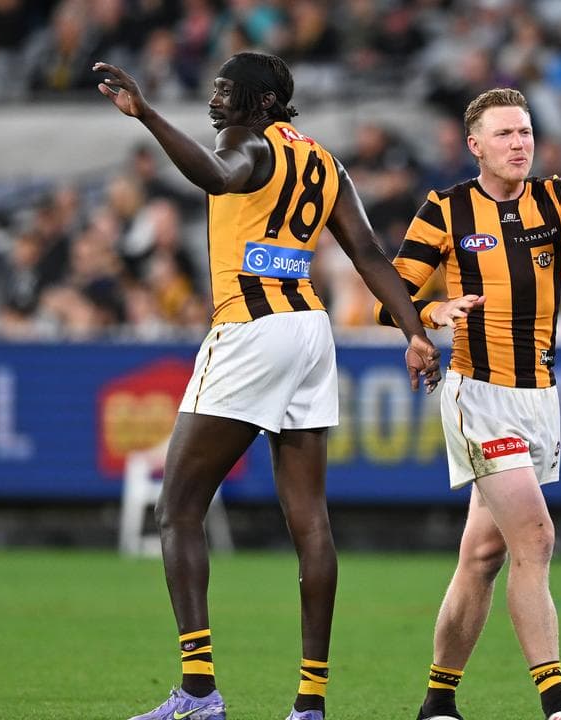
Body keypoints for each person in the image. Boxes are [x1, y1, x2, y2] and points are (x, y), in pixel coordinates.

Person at [94, 52, 442, 720]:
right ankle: (309, 703)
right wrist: (414, 330)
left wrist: (147, 115)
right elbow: (368, 252)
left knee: (179, 509)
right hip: (310, 331)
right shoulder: (324, 161)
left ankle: (199, 693)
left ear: (259, 102)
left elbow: (217, 175)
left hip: (252, 330)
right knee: (310, 520)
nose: (214, 103)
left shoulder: (244, 143)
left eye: (225, 92)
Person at [376, 87, 561, 720]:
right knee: (536, 535)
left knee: (481, 556)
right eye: (504, 134)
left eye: (525, 132)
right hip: (478, 397)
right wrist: (429, 312)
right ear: (475, 146)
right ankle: (556, 700)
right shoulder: (445, 209)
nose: (519, 143)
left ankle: (437, 703)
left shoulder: (556, 198)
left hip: (538, 398)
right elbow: (385, 295)